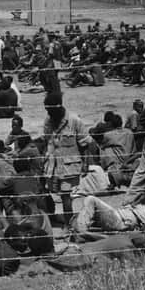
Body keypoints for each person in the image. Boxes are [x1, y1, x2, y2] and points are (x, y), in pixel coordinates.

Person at [42, 92, 93, 225]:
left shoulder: (74, 120)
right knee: (55, 194)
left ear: (58, 107)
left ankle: (69, 225)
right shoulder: (48, 121)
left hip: (69, 166)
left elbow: (85, 144)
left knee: (66, 197)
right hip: (53, 166)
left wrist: (86, 163)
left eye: (50, 110)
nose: (48, 113)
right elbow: (47, 142)